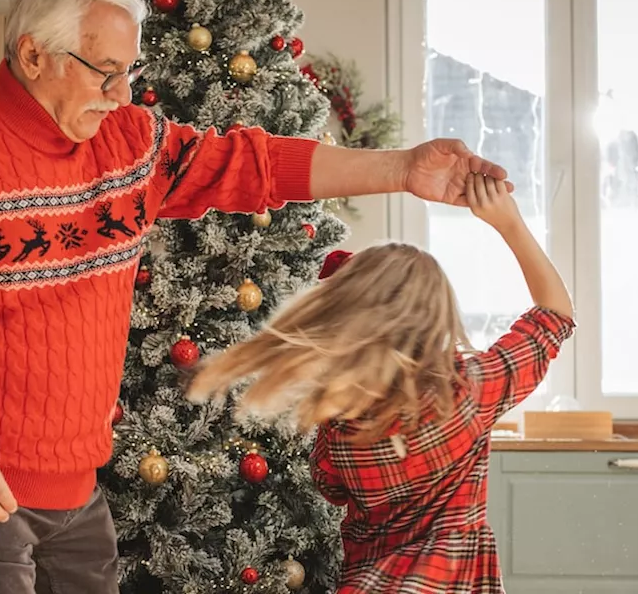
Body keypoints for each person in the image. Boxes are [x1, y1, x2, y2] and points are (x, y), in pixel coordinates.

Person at [0, 0, 512, 592]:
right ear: (33, 54)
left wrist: (400, 170)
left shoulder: (128, 143)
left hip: (73, 488)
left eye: (130, 70)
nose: (123, 94)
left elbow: (255, 165)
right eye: (104, 71)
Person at [187, 173, 575, 593]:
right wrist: (509, 223)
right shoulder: (469, 390)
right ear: (437, 316)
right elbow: (556, 314)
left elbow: (330, 486)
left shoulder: (341, 423)